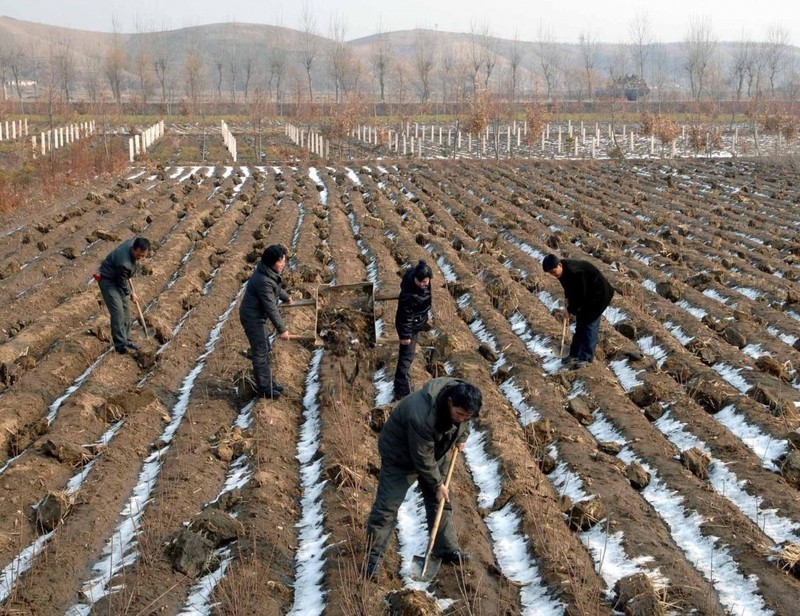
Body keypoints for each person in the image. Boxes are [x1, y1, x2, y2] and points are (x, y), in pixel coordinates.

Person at [365, 378, 482, 578]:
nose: (463, 418)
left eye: (467, 416)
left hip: (433, 451)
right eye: (460, 414)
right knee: (386, 508)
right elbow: (422, 456)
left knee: (440, 501)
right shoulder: (421, 414)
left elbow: (465, 423)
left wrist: (461, 437)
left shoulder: (463, 401)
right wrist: (437, 483)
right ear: (450, 402)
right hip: (400, 456)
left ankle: (444, 549)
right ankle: (372, 560)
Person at [542, 253, 614, 368]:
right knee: (580, 324)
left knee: (589, 325)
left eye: (553, 271)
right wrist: (567, 304)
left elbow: (580, 295)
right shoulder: (562, 272)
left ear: (559, 265)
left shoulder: (575, 272)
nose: (553, 275)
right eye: (550, 273)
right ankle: (574, 354)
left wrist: (571, 310)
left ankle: (586, 358)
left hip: (599, 295)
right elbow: (568, 289)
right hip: (587, 294)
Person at [239, 244, 292, 399]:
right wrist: (282, 329)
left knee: (265, 348)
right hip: (252, 319)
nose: (283, 264)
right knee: (261, 351)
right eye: (281, 261)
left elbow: (275, 287)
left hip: (256, 315)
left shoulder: (267, 271)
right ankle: (264, 389)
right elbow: (270, 307)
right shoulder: (262, 280)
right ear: (273, 262)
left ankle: (269, 383)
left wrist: (286, 296)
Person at [97, 237, 151, 354]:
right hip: (108, 281)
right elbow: (123, 282)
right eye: (139, 255)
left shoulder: (132, 243)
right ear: (134, 249)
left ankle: (127, 339)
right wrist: (131, 293)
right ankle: (120, 345)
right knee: (118, 312)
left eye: (144, 256)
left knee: (126, 310)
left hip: (119, 278)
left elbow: (125, 278)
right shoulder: (124, 263)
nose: (141, 258)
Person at [393, 260, 433, 401]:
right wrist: (405, 335)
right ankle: (401, 391)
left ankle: (404, 382)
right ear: (415, 278)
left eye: (426, 282)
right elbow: (405, 317)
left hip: (417, 323)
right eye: (420, 282)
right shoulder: (408, 296)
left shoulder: (423, 281)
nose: (423, 284)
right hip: (409, 327)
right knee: (406, 356)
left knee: (408, 356)